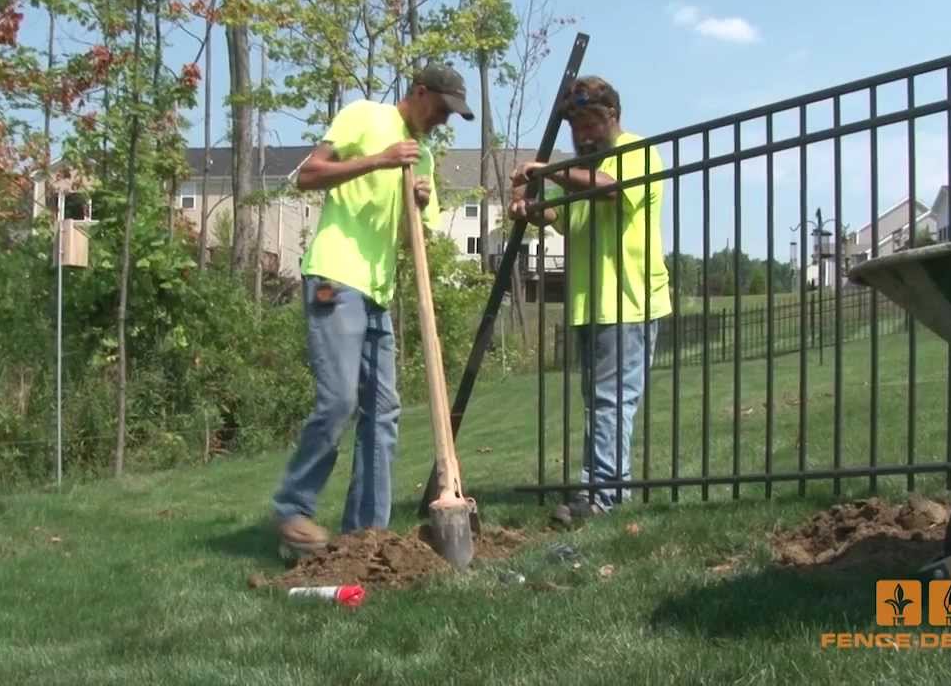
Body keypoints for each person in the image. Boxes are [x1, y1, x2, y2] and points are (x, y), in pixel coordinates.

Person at [271, 63, 475, 554]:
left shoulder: (422, 155)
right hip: (335, 279)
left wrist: (420, 205)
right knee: (339, 401)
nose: (444, 122)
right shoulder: (365, 116)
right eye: (442, 110)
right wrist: (379, 161)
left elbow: (412, 243)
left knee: (383, 414)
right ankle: (292, 511)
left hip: (379, 292)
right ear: (420, 92)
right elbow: (309, 175)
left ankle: (365, 536)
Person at [509, 75, 671, 527]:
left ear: (613, 117)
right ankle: (599, 484)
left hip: (628, 302)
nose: (581, 134)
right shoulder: (577, 172)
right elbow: (561, 216)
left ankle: (602, 492)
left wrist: (545, 171)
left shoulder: (636, 151)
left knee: (611, 401)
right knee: (599, 401)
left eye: (590, 122)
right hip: (589, 303)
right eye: (574, 125)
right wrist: (530, 208)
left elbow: (609, 188)